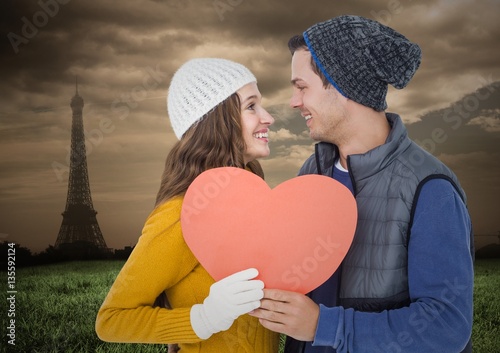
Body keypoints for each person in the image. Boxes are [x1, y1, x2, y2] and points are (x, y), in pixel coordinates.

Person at [249, 15, 474, 353]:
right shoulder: (312, 172)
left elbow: (446, 325)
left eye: (302, 87)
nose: (294, 102)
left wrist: (324, 326)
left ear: (342, 85)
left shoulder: (430, 187)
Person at [96, 58, 279, 352]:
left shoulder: (253, 201)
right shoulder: (182, 213)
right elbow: (112, 320)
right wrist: (204, 318)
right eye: (251, 106)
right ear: (217, 121)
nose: (268, 117)